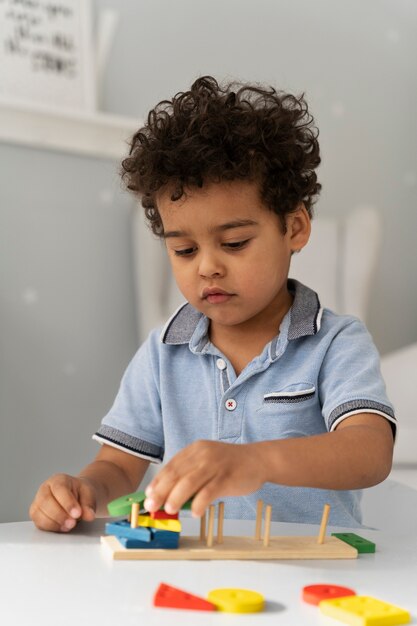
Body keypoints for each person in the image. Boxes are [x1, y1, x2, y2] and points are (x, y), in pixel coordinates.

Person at [30, 76, 395, 533]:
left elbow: (370, 452)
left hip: (317, 571)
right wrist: (82, 491)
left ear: (295, 227)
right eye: (183, 250)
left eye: (235, 242)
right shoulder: (163, 351)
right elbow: (119, 469)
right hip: (192, 570)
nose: (207, 267)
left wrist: (255, 460)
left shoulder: (336, 342)